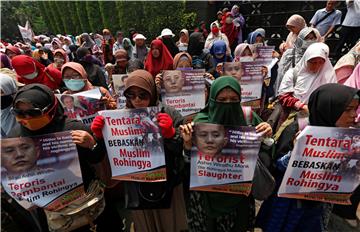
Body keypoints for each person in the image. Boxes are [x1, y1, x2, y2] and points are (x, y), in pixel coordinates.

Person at [91, 69, 188, 232]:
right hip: (138, 186)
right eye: (131, 95)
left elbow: (184, 150)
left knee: (171, 225)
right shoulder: (118, 118)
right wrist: (100, 138)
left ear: (152, 92)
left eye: (143, 95)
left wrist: (171, 135)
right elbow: (99, 156)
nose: (137, 100)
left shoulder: (169, 113)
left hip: (168, 184)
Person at [257, 83, 359, 232]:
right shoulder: (298, 129)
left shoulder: (348, 137)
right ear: (329, 108)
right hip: (290, 205)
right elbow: (276, 166)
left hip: (320, 205)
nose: (354, 115)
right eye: (348, 110)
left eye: (355, 109)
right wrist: (297, 151)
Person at [8, 83, 107, 231]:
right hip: (49, 210)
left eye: (34, 113)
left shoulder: (72, 129)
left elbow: (95, 158)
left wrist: (92, 143)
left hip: (84, 203)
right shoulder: (16, 137)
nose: (27, 118)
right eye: (20, 113)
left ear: (50, 109)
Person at [180, 76, 272, 232]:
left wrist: (267, 136)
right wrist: (188, 144)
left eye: (233, 99)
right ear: (213, 99)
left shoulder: (249, 118)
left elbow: (266, 155)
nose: (228, 104)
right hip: (206, 196)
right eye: (222, 99)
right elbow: (189, 165)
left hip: (239, 197)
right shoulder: (201, 121)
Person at [278, 42, 337, 111]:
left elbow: (333, 97)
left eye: (321, 62)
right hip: (295, 114)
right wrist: (301, 106)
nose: (317, 66)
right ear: (306, 60)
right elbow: (283, 96)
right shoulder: (292, 74)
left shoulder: (328, 76)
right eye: (313, 62)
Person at [275, 27, 322, 95]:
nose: (309, 41)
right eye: (306, 38)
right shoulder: (290, 54)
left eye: (312, 38)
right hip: (292, 90)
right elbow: (281, 75)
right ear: (300, 39)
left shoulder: (319, 55)